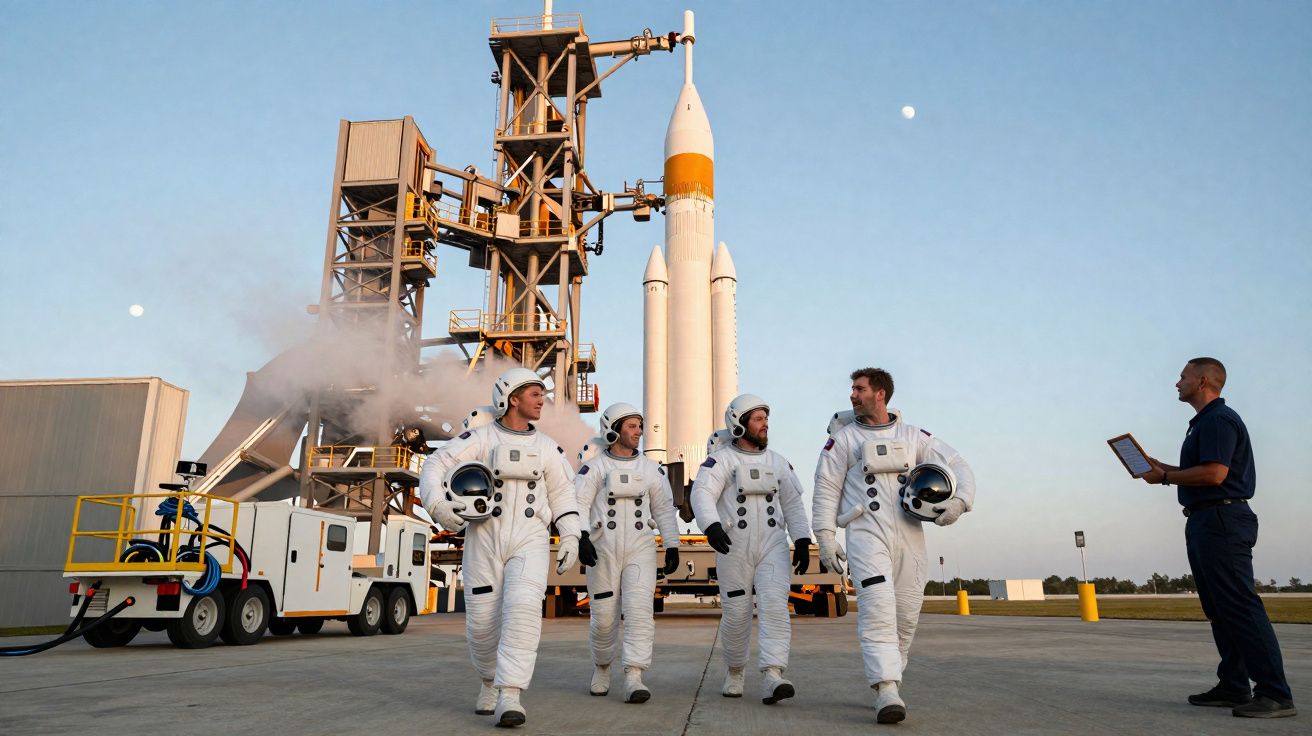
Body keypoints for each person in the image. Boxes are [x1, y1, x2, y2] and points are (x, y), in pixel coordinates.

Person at [419, 367, 582, 728]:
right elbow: (435, 464)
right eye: (535, 394)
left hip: (530, 538)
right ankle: (489, 681)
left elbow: (563, 494)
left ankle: (511, 693)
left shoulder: (547, 448)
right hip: (484, 537)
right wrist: (439, 507)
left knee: (523, 610)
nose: (543, 400)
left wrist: (571, 534)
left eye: (543, 394)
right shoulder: (480, 438)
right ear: (512, 398)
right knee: (481, 623)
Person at [812, 367, 976, 724]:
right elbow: (825, 489)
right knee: (878, 608)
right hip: (866, 533)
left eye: (859, 389)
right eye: (852, 389)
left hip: (910, 535)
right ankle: (885, 686)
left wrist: (960, 501)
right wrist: (825, 536)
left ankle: (892, 677)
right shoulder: (843, 441)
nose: (852, 395)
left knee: (905, 614)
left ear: (880, 394)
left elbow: (958, 464)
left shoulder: (914, 436)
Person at [1139, 357, 1296, 718]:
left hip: (1222, 518)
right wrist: (1161, 468)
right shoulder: (1202, 424)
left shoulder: (1218, 420)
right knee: (1221, 610)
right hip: (1206, 519)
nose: (1176, 382)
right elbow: (1202, 470)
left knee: (1240, 606)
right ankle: (1235, 685)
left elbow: (1214, 474)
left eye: (1183, 376)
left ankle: (1276, 693)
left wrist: (1164, 478)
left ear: (1204, 380)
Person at [691, 393, 812, 705]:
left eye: (765, 418)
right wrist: (711, 526)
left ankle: (773, 674)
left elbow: (793, 504)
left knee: (774, 606)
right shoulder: (720, 461)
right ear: (739, 424)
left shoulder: (778, 462)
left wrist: (801, 539)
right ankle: (735, 670)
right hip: (733, 547)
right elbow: (702, 494)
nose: (765, 424)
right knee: (736, 614)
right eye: (758, 419)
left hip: (772, 545)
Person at [574, 402, 682, 703]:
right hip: (603, 550)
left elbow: (663, 509)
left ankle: (634, 675)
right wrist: (581, 536)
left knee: (639, 612)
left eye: (640, 426)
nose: (639, 432)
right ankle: (602, 666)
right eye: (632, 426)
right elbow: (578, 504)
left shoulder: (650, 469)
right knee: (604, 617)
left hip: (640, 548)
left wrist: (671, 543)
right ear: (613, 429)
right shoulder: (595, 468)